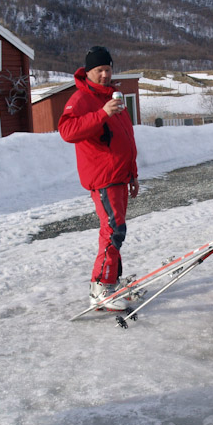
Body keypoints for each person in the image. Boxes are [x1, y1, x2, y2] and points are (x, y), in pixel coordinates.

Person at [59, 46, 139, 311]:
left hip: (119, 175)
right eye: (99, 70)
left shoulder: (113, 96)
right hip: (103, 176)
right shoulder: (82, 98)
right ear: (88, 71)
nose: (104, 74)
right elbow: (67, 131)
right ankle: (100, 287)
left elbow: (126, 138)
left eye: (108, 69)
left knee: (116, 230)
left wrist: (133, 174)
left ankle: (111, 281)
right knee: (113, 230)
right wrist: (103, 113)